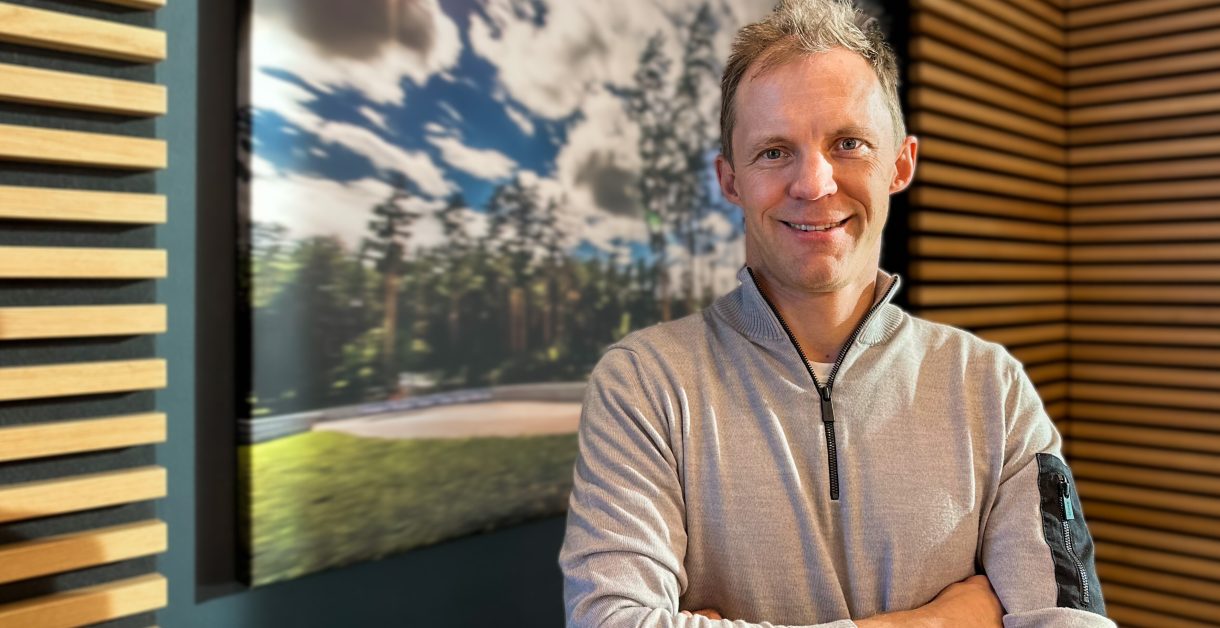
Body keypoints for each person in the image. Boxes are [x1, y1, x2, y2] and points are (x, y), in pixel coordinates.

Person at [560, 0, 1114, 626]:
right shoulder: (643, 383)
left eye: (848, 143)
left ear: (899, 164)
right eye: (774, 151)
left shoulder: (992, 387)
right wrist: (932, 622)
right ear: (731, 180)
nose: (814, 184)